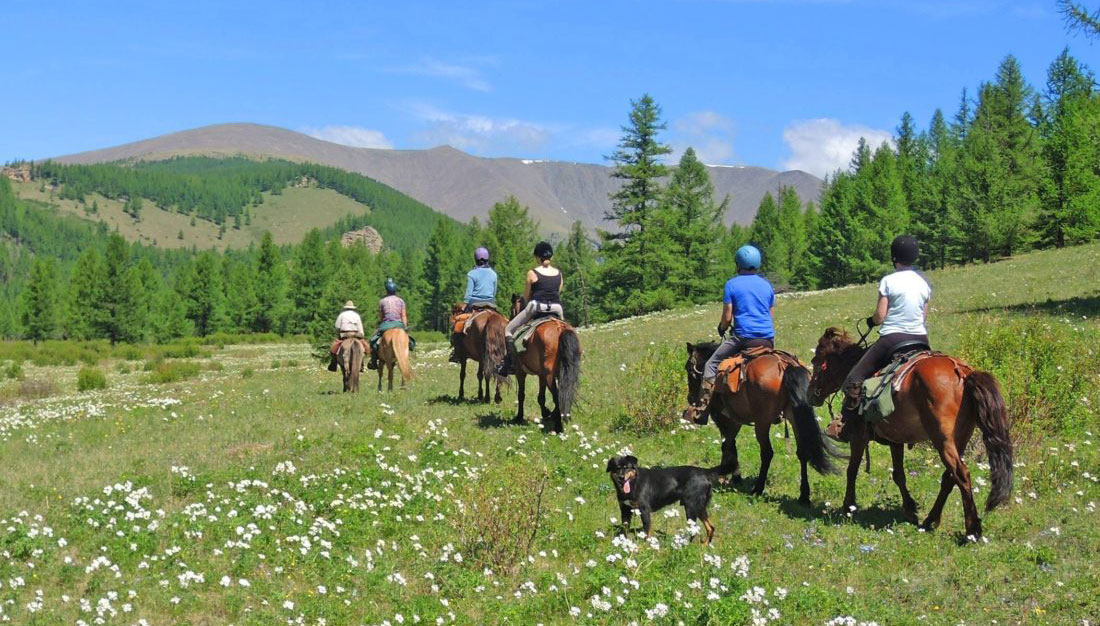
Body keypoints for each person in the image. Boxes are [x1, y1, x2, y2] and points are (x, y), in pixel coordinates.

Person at [825, 235, 931, 442]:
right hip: (920, 340)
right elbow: (923, 316)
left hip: (893, 339)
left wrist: (872, 321)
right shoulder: (923, 283)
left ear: (894, 257)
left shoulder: (889, 281)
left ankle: (847, 427)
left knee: (853, 379)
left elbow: (881, 316)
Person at [684, 244, 776, 426]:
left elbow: (727, 316)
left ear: (738, 264)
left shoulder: (732, 284)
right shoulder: (766, 285)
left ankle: (701, 411)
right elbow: (769, 314)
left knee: (710, 365)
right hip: (767, 340)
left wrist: (722, 327)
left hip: (743, 338)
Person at [498, 241, 564, 375]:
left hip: (537, 307)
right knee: (565, 331)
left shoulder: (532, 273)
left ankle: (510, 363)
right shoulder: (559, 274)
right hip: (557, 308)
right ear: (550, 257)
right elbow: (558, 291)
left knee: (508, 329)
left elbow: (527, 296)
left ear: (538, 257)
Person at [449, 247, 499, 363]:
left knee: (458, 325)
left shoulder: (472, 274)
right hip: (491, 304)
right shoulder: (493, 274)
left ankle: (457, 353)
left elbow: (469, 293)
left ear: (475, 259)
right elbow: (494, 291)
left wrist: (464, 305)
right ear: (487, 259)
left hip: (474, 304)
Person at [368, 278, 409, 371]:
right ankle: (407, 352)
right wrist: (405, 327)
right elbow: (403, 315)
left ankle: (373, 360)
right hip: (399, 324)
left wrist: (383, 324)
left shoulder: (382, 301)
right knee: (409, 340)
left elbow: (381, 317)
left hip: (386, 324)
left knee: (373, 340)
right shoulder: (401, 301)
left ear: (386, 289)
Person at [328, 300, 366, 372]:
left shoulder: (342, 315)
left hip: (344, 334)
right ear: (353, 308)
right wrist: (361, 335)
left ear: (345, 308)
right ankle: (362, 364)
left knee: (334, 348)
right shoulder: (357, 315)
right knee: (363, 348)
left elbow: (337, 326)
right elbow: (360, 328)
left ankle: (333, 363)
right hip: (355, 334)